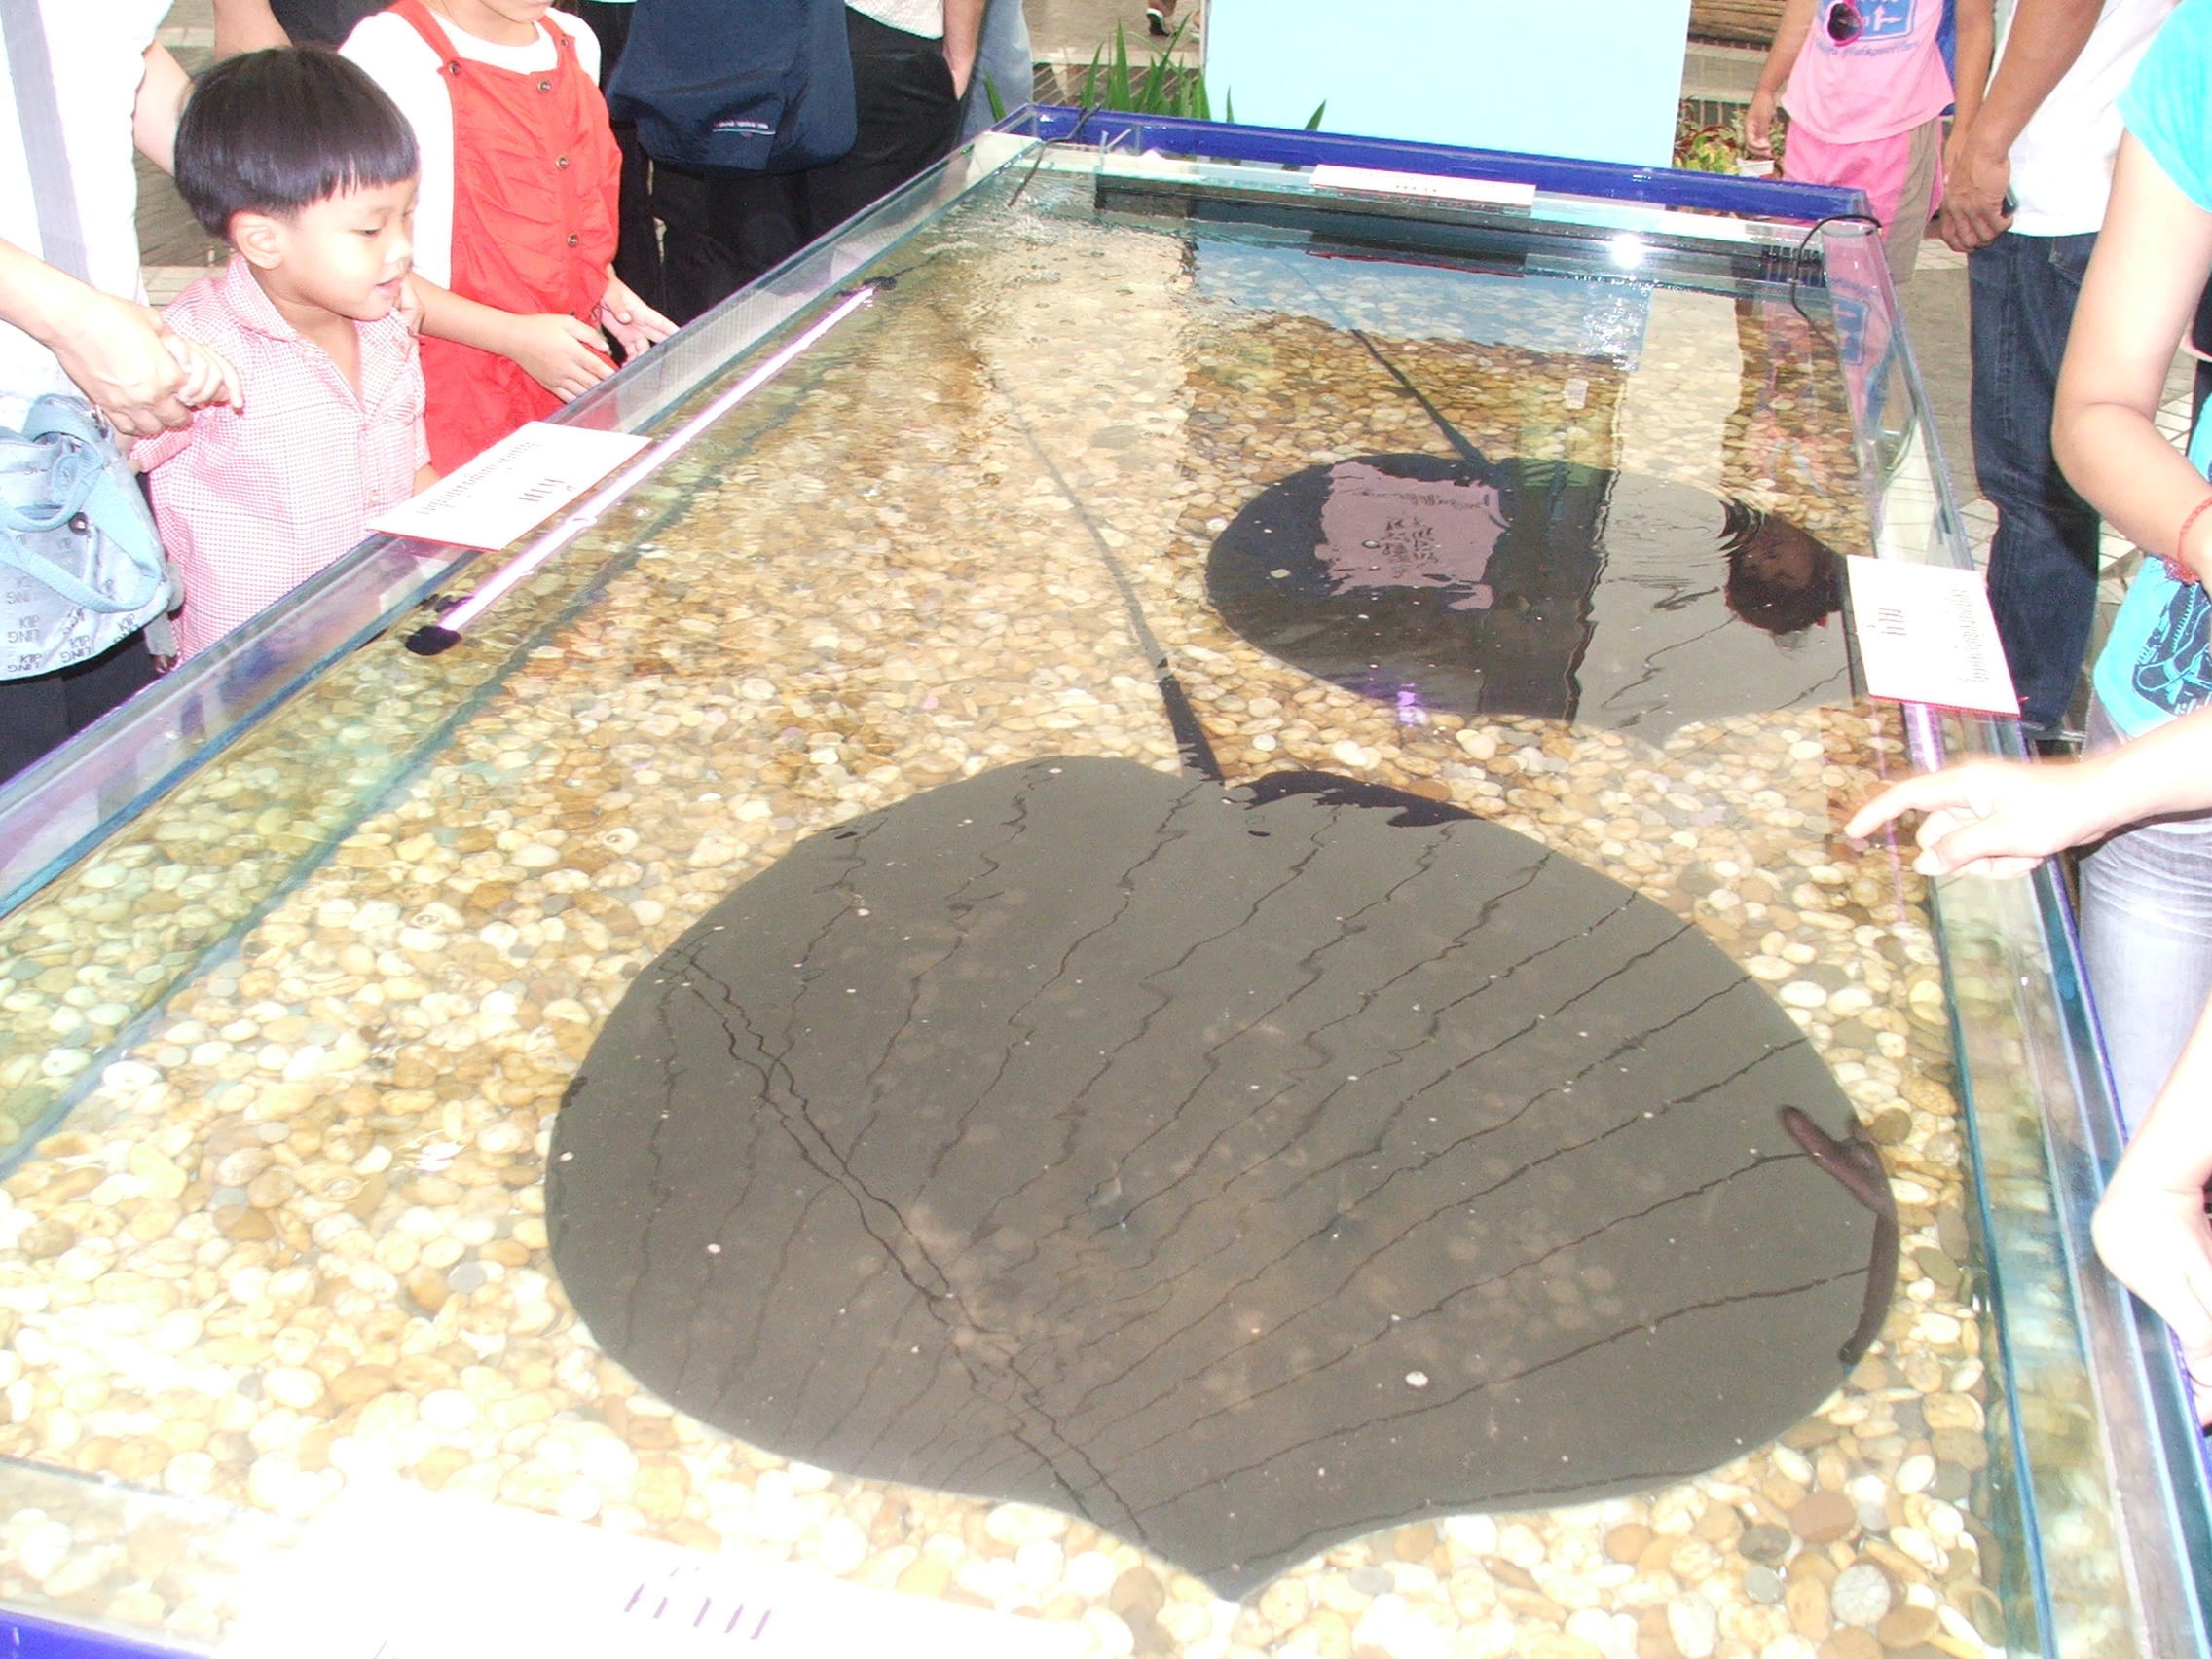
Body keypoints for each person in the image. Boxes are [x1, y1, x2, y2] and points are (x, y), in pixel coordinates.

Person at [1851, 0, 2212, 1411]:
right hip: (2167, 713)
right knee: (2111, 1233)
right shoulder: (2197, 56)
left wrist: (2160, 1178)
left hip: (2138, 772)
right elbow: (2096, 407)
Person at [0, 2, 242, 785]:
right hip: (36, 400)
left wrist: (288, 188)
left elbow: (113, 52)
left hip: (88, 439)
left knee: (105, 771)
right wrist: (68, 319)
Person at [134, 50, 432, 663]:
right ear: (264, 240)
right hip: (248, 670)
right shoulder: (195, 347)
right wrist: (145, 380)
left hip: (379, 639)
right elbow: (106, 457)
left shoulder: (387, 326)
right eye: (370, 230)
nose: (402, 249)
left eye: (406, 217)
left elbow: (412, 468)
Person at [1937, 0, 2176, 743]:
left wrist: (1985, 145)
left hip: (2055, 196)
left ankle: (2016, 722)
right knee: (2055, 484)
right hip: (2098, 192)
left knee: (2037, 488)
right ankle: (2030, 705)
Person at [342, 0, 675, 472]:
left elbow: (571, 205)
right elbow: (355, 259)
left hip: (565, 365)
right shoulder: (389, 51)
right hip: (447, 388)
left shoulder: (575, 40)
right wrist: (513, 337)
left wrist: (602, 285)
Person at [653, 0, 983, 325]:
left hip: (750, 41)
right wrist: (960, 59)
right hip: (874, 50)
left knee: (745, 257)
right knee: (864, 263)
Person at [1746, 0, 1995, 289]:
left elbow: (1974, 26)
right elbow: (1804, 8)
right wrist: (1766, 88)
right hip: (1811, 126)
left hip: (1896, 138)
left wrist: (1964, 130)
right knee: (1794, 274)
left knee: (1871, 286)